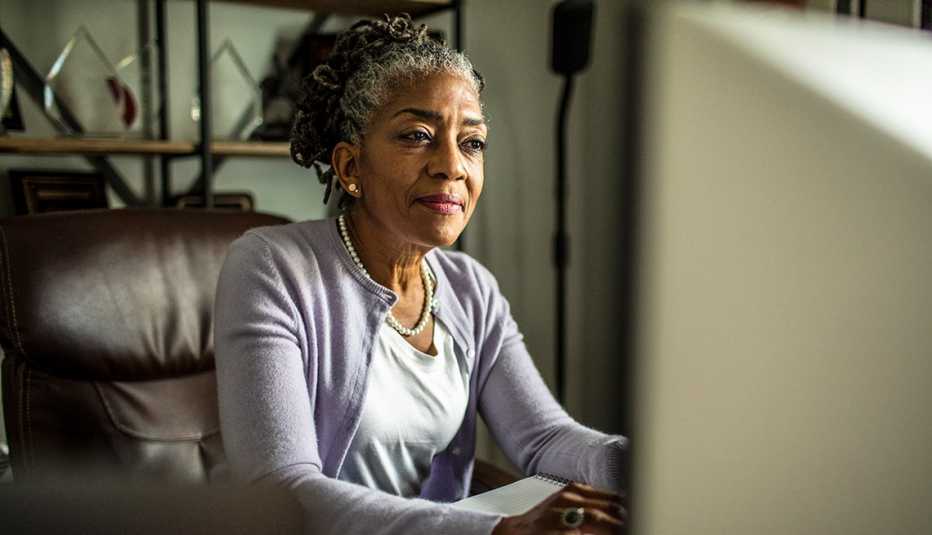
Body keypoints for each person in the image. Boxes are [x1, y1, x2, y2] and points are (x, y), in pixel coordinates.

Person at [214, 14, 627, 535]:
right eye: (417, 135)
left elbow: (544, 439)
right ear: (350, 168)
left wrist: (647, 468)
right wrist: (498, 531)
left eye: (472, 142)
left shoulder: (471, 289)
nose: (451, 165)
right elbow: (282, 488)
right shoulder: (271, 268)